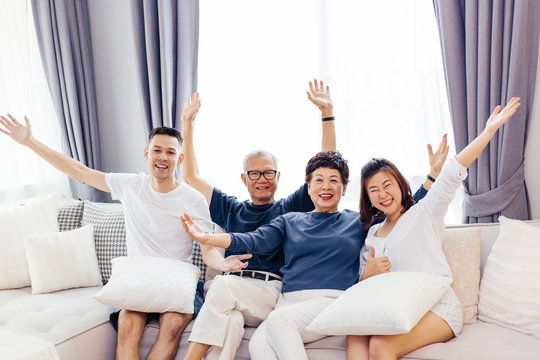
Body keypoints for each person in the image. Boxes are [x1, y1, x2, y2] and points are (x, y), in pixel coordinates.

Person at [0, 114, 248, 360]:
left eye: (170, 153)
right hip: (137, 276)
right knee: (127, 329)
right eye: (157, 150)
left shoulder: (193, 198)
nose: (163, 157)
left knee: (172, 328)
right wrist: (30, 141)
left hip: (177, 277)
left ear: (179, 158)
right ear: (146, 154)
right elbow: (79, 171)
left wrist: (221, 264)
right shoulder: (130, 185)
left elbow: (207, 249)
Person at [180, 144, 446, 359]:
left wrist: (431, 178)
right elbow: (254, 240)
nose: (326, 186)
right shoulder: (289, 220)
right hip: (288, 303)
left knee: (279, 322)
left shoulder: (358, 221)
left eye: (334, 181)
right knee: (258, 346)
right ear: (309, 187)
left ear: (344, 187)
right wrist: (209, 238)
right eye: (319, 180)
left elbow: (403, 211)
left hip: (330, 300)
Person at [346, 97, 521, 360]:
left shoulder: (424, 212)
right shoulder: (372, 234)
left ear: (401, 185)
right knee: (355, 332)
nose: (382, 194)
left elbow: (453, 172)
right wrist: (367, 274)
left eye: (387, 185)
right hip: (397, 307)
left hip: (437, 308)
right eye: (374, 190)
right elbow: (364, 288)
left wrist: (488, 131)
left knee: (380, 346)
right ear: (368, 198)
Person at [179, 79, 339, 360]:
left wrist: (327, 114)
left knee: (222, 286)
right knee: (229, 323)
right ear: (244, 178)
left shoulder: (289, 207)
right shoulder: (230, 208)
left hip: (269, 292)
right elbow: (191, 177)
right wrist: (188, 123)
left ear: (278, 177)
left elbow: (326, 162)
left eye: (268, 173)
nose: (262, 179)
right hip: (236, 299)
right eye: (255, 173)